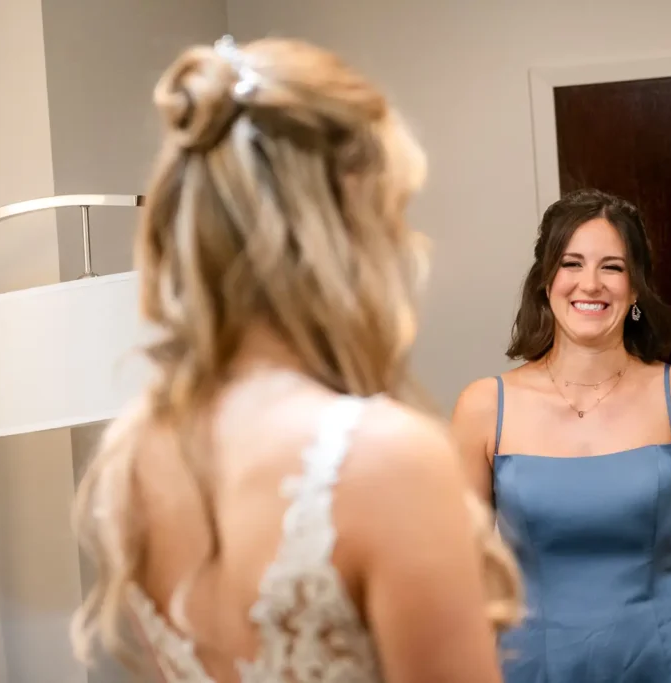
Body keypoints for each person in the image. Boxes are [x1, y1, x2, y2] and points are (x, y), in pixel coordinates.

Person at [70, 35, 522, 683]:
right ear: (344, 218)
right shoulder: (384, 459)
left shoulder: (133, 455)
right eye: (392, 210)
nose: (402, 240)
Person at [452, 188, 671, 682]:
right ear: (545, 281)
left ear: (635, 288)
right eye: (571, 263)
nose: (590, 284)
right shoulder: (483, 407)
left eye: (612, 267)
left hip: (665, 662)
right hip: (531, 666)